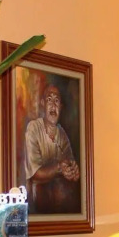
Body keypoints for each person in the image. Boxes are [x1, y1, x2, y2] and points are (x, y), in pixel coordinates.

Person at [25, 83, 81, 214]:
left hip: (59, 205)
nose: (53, 106)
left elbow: (70, 164)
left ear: (60, 107)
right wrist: (59, 167)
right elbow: (35, 174)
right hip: (35, 205)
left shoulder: (62, 135)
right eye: (49, 100)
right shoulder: (33, 128)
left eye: (57, 101)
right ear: (43, 103)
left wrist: (74, 172)